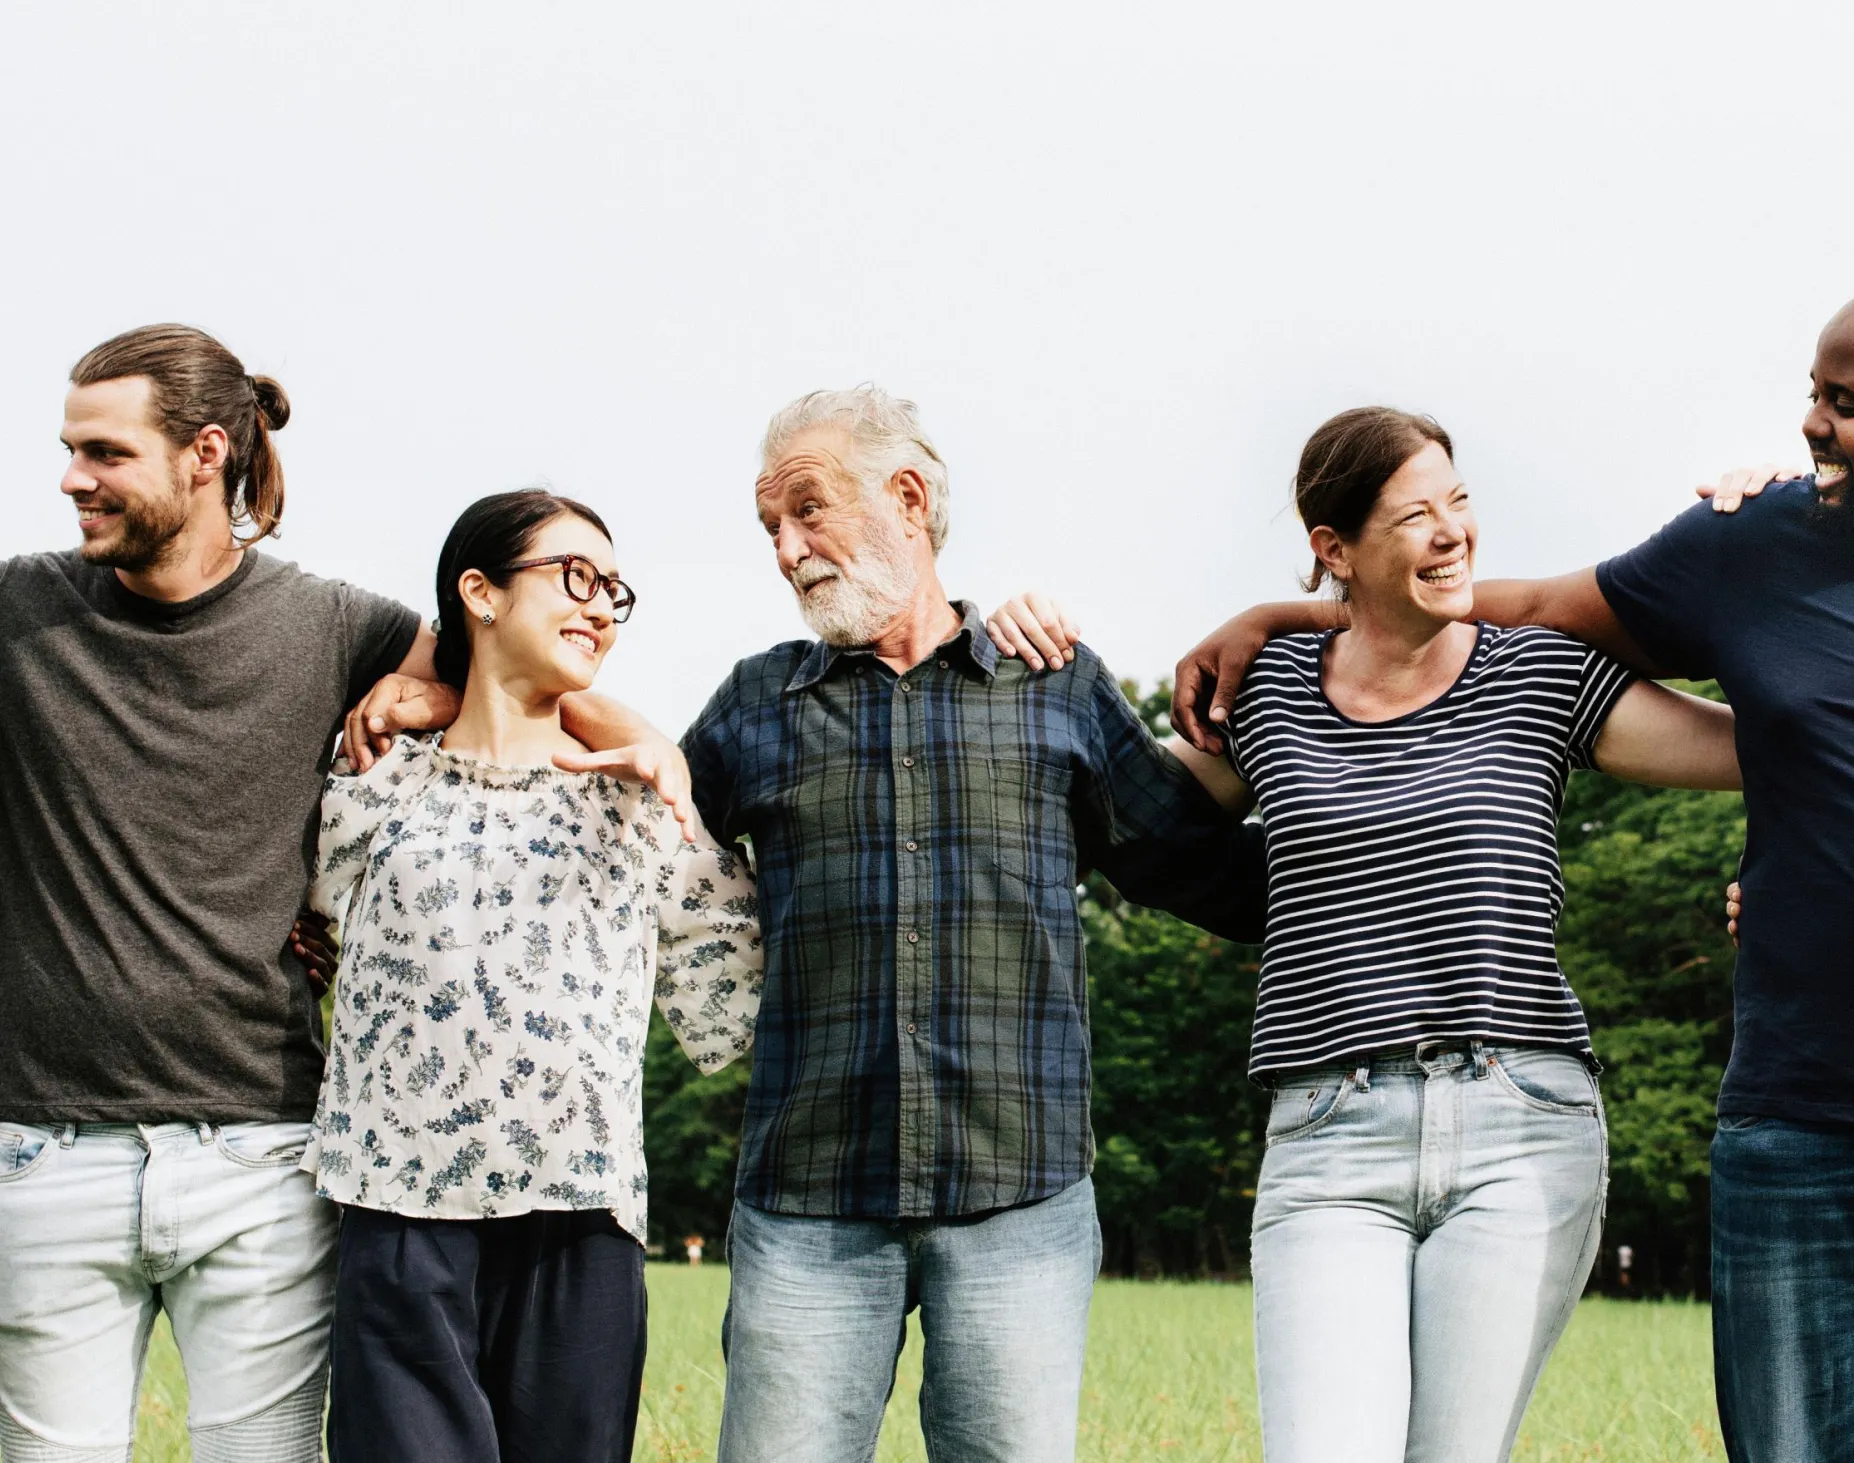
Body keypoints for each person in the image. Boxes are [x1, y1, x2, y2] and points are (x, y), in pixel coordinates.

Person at [1170, 283, 1854, 1461]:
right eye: (1811, 393)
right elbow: (1538, 606)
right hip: (1801, 1127)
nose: (1809, 424)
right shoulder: (1749, 544)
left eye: (1843, 403)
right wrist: (1298, 609)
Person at [987, 406, 1744, 1463]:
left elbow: (1759, 750)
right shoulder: (1269, 693)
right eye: (1413, 516)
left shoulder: (1540, 671)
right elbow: (1128, 804)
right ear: (1333, 551)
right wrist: (1045, 657)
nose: (1452, 533)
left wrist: (1781, 545)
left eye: (1458, 502)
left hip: (1520, 1122)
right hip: (1329, 1135)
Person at [0, 325, 697, 1463]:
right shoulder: (21, 612)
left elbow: (518, 666)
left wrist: (646, 739)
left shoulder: (336, 626)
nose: (72, 477)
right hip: (44, 1148)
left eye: (104, 452)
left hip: (262, 1150)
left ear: (204, 453)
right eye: (70, 450)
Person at [680, 385, 1268, 1462]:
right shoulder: (753, 704)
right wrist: (436, 686)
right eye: (769, 525)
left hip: (1020, 1197)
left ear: (906, 497)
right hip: (807, 1196)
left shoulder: (1055, 686)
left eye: (805, 510)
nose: (784, 547)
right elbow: (619, 863)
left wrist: (1374, 785)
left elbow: (1209, 872)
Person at [304, 489, 765, 1462]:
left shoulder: (645, 809)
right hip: (399, 1217)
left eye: (614, 590)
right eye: (574, 576)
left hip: (580, 1220)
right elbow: (297, 942)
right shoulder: (370, 787)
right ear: (478, 591)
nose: (601, 605)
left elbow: (756, 999)